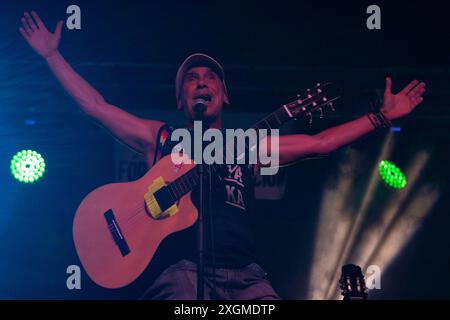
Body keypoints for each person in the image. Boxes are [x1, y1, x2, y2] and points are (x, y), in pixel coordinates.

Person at [19, 11, 426, 300]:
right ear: (181, 98)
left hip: (247, 277)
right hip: (178, 273)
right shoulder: (161, 136)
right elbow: (95, 105)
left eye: (210, 76)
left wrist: (379, 117)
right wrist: (53, 55)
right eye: (191, 79)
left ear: (224, 94)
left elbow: (320, 144)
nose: (201, 82)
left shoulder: (246, 147)